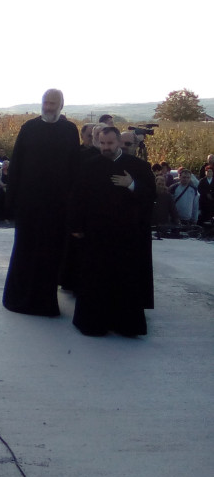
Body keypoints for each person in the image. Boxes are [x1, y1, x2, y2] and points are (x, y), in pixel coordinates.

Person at [69, 127, 156, 336]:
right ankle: (93, 324)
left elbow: (151, 196)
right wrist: (76, 225)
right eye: (102, 144)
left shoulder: (138, 166)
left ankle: (125, 325)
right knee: (95, 281)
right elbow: (77, 198)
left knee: (124, 281)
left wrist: (132, 184)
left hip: (126, 237)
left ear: (118, 143)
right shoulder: (89, 166)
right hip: (96, 235)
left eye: (110, 144)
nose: (106, 148)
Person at [2, 89, 80, 316]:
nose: (48, 107)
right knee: (24, 252)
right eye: (46, 102)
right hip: (29, 205)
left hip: (57, 208)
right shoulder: (29, 128)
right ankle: (18, 299)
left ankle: (45, 303)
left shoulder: (69, 130)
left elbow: (74, 170)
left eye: (53, 103)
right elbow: (16, 165)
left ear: (61, 105)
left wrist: (72, 204)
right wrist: (12, 202)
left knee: (50, 255)